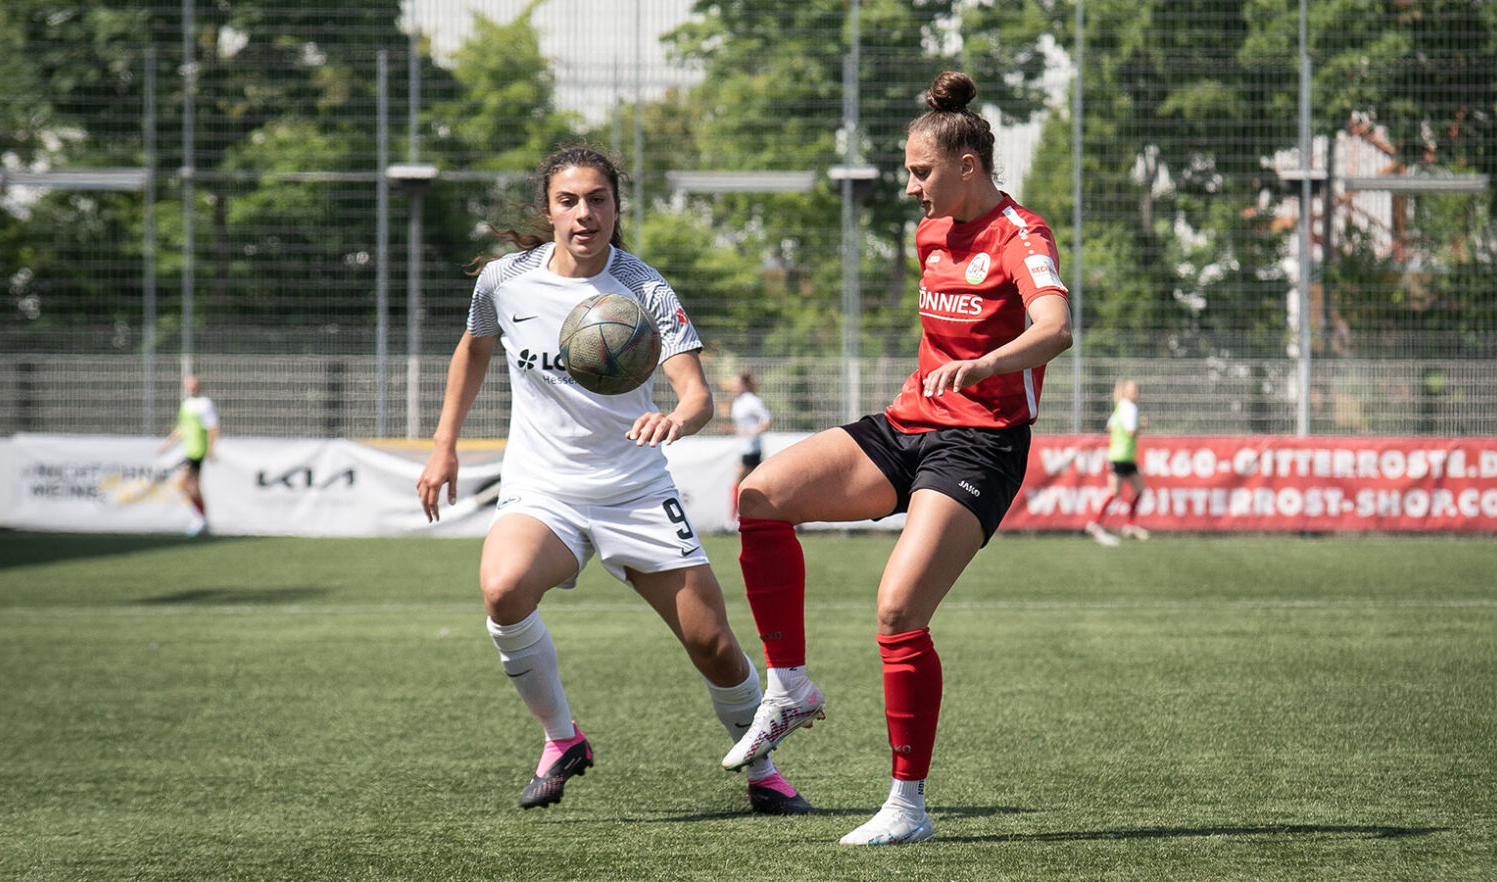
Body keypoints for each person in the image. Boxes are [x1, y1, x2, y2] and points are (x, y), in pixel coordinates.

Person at [720, 72, 1073, 845]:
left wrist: (983, 369)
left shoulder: (1023, 235)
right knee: (760, 497)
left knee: (897, 610)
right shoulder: (931, 233)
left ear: (967, 167)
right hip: (908, 424)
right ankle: (790, 689)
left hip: (980, 442)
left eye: (921, 172)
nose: (912, 187)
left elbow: (1055, 328)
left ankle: (907, 807)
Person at [414, 145, 812, 816]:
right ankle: (561, 739)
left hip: (635, 491)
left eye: (598, 199)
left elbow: (697, 397)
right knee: (504, 588)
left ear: (616, 207)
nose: (584, 213)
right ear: (548, 209)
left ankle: (763, 769)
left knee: (713, 645)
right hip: (544, 490)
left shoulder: (643, 286)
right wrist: (443, 445)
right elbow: (474, 348)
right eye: (568, 201)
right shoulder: (505, 281)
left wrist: (676, 422)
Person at [1084, 379, 1149, 545]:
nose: (1137, 392)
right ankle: (1096, 523)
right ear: (1125, 391)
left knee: (1139, 488)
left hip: (1122, 456)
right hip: (1122, 456)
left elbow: (1110, 426)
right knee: (1115, 492)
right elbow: (1130, 431)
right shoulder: (1130, 408)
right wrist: (1141, 425)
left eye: (1137, 389)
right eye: (1133, 389)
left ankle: (1130, 525)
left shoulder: (1121, 406)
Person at [159, 374, 219, 537]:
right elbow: (182, 428)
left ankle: (200, 519)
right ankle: (200, 518)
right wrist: (167, 444)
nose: (190, 388)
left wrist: (211, 449)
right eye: (188, 385)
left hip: (198, 451)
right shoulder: (186, 404)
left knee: (186, 483)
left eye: (193, 385)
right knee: (189, 486)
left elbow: (213, 427)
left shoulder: (204, 404)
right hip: (189, 450)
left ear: (199, 386)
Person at [727, 372, 771, 520]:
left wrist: (752, 432)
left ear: (744, 385)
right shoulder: (737, 402)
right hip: (742, 447)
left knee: (740, 481)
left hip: (752, 448)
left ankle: (733, 519)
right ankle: (753, 516)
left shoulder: (752, 401)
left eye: (736, 383)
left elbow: (767, 421)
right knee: (755, 484)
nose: (733, 387)